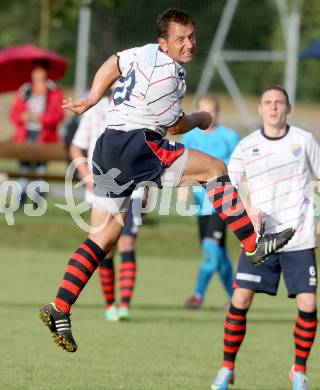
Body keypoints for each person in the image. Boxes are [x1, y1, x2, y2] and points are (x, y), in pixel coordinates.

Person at [39, 9, 294, 353]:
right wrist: (202, 118)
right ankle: (253, 244)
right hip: (138, 145)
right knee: (213, 169)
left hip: (108, 145)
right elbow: (174, 127)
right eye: (180, 39)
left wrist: (92, 97)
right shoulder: (169, 76)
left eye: (191, 36)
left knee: (104, 237)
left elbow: (113, 63)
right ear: (165, 43)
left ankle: (60, 307)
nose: (188, 44)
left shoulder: (143, 52)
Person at [210, 86, 319, 390]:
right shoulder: (247, 145)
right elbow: (227, 187)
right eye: (268, 103)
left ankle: (299, 371)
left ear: (288, 107)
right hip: (259, 241)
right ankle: (226, 368)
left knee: (308, 304)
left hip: (298, 237)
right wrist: (247, 208)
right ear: (260, 108)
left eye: (279, 103)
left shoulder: (304, 140)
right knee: (240, 298)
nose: (273, 107)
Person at [70, 95, 143, 321]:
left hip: (134, 188)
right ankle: (110, 304)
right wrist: (87, 177)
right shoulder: (95, 109)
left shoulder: (141, 108)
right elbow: (76, 147)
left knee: (127, 241)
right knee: (104, 247)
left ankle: (124, 305)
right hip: (101, 189)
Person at [183, 95, 240, 309]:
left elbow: (240, 168)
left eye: (212, 111)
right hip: (201, 204)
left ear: (218, 112)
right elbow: (182, 166)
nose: (209, 115)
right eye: (204, 111)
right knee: (218, 254)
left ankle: (198, 295)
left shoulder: (230, 137)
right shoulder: (190, 138)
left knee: (211, 248)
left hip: (223, 201)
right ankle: (235, 298)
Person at [10, 60, 64, 206]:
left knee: (41, 170)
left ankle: (37, 202)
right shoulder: (25, 90)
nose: (37, 74)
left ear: (46, 73)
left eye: (40, 71)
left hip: (44, 135)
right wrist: (23, 117)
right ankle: (20, 201)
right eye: (35, 71)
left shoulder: (54, 91)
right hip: (25, 134)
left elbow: (58, 115)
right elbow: (14, 114)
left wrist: (41, 119)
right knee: (24, 169)